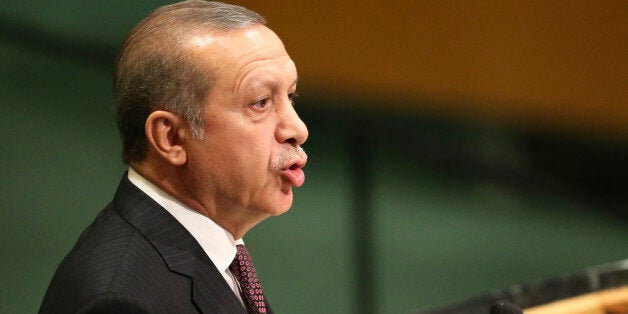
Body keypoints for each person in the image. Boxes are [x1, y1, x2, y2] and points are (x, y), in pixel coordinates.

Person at [39, 1, 308, 313]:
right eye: (260, 102)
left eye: (290, 96)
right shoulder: (119, 301)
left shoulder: (218, 254)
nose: (297, 129)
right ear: (171, 138)